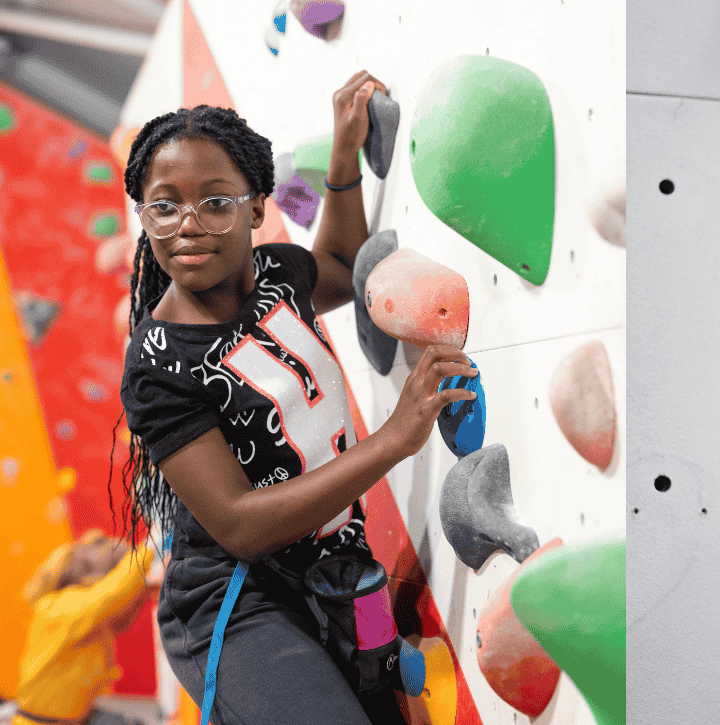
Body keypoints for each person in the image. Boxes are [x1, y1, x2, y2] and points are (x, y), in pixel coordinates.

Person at [117, 71, 473, 725]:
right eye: (163, 206)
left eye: (215, 202)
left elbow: (338, 263)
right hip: (237, 599)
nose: (187, 225)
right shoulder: (156, 363)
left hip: (339, 573)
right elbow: (240, 524)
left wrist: (344, 159)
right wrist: (394, 439)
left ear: (255, 208)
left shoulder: (276, 272)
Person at [10, 530, 159, 725]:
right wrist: (152, 545)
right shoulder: (60, 607)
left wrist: (144, 590)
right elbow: (112, 595)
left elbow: (119, 623)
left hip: (73, 718)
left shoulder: (87, 616)